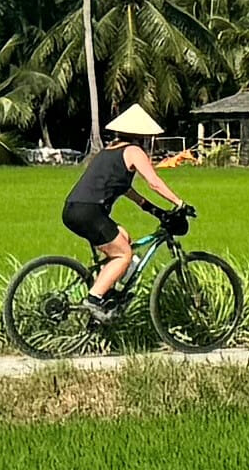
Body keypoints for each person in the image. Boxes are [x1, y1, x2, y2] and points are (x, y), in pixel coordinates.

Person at [65, 105, 195, 324]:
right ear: (141, 135)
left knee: (123, 238)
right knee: (123, 255)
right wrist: (179, 202)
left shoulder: (109, 151)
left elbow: (125, 189)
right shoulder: (134, 152)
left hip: (74, 209)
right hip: (91, 212)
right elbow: (154, 182)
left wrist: (153, 210)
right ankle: (94, 299)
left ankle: (107, 294)